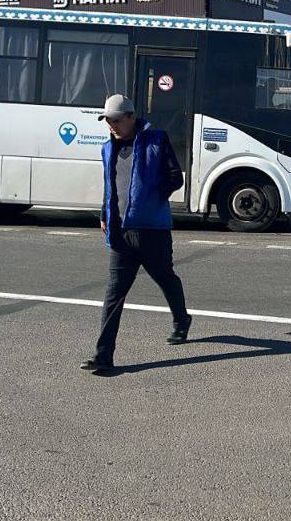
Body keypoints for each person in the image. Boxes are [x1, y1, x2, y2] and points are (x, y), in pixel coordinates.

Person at [81, 94, 191, 376]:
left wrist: (152, 198)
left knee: (165, 277)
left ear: (131, 117)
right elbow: (110, 185)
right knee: (114, 294)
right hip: (121, 233)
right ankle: (103, 356)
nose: (112, 126)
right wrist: (104, 215)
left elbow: (175, 177)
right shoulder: (108, 149)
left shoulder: (156, 140)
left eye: (117, 120)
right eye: (108, 121)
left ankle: (181, 320)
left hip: (153, 230)